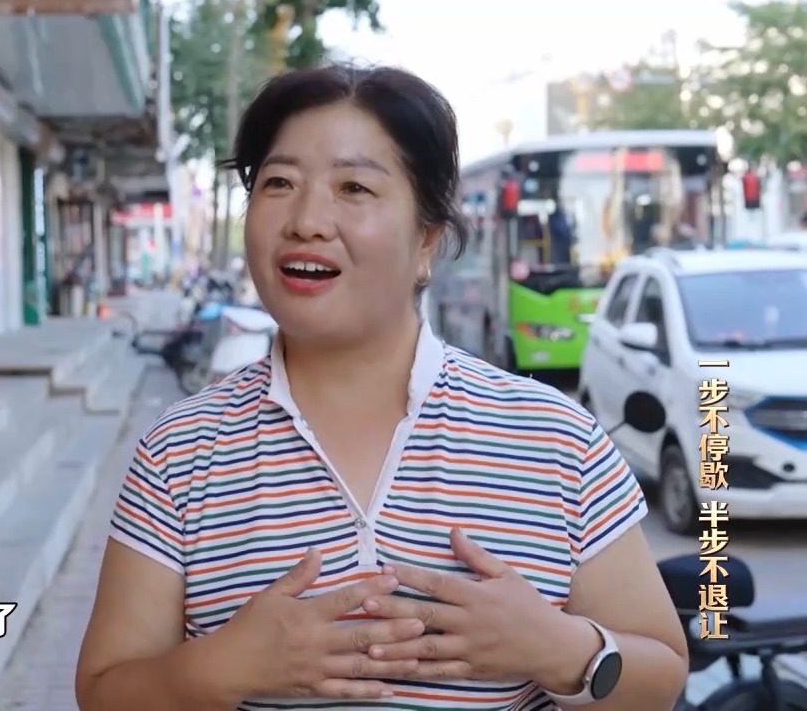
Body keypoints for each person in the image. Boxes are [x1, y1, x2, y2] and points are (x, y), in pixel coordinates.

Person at [76, 64, 688, 711]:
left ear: (426, 240)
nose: (307, 220)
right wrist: (219, 669)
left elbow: (662, 675)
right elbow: (104, 691)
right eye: (279, 183)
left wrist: (561, 649)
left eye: (354, 187)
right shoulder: (179, 452)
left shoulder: (555, 439)